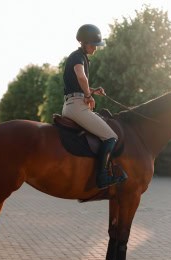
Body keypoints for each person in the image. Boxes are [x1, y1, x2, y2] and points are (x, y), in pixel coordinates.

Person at [62, 24, 127, 189]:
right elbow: (81, 77)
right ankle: (102, 177)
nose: (95, 49)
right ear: (83, 43)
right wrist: (89, 96)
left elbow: (78, 84)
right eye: (93, 45)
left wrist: (92, 91)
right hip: (76, 106)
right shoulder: (78, 57)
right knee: (111, 136)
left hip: (72, 103)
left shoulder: (80, 57)